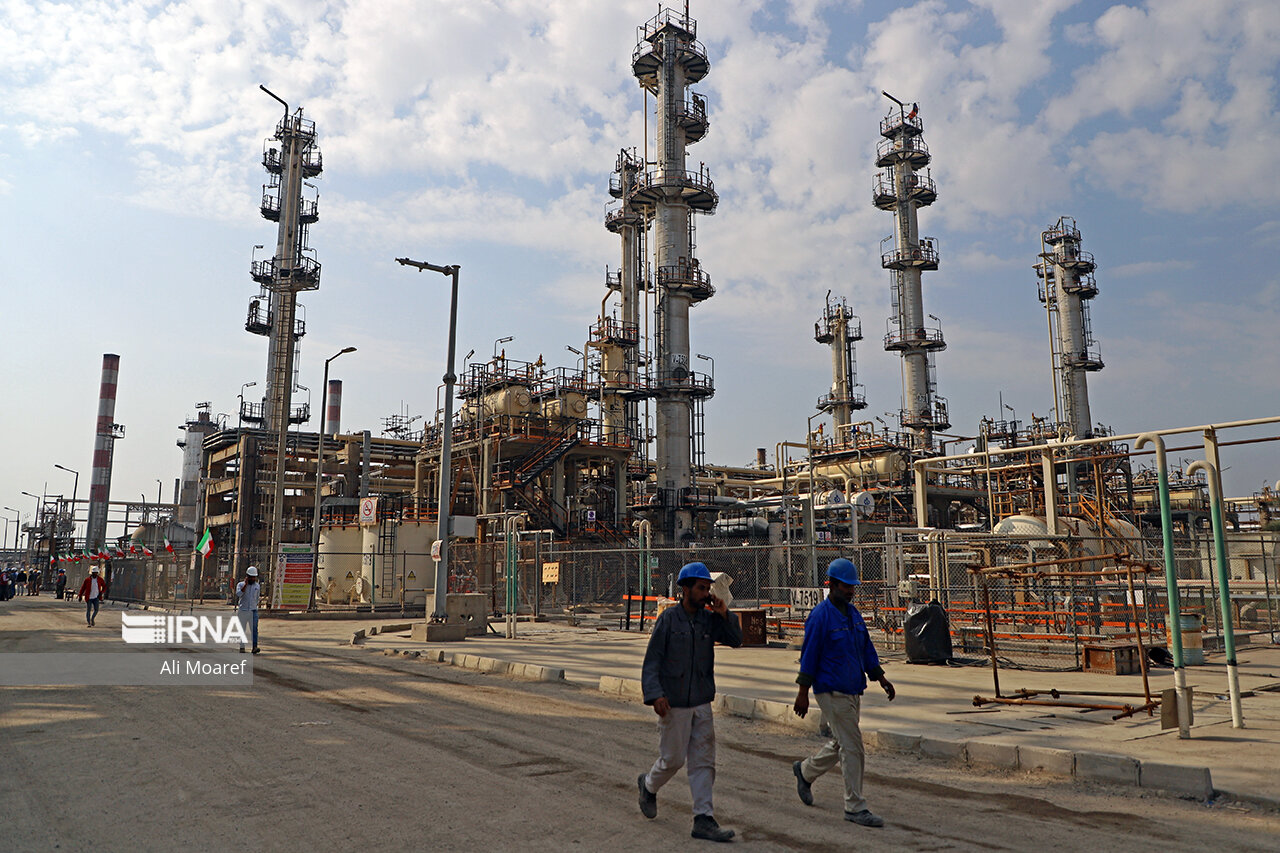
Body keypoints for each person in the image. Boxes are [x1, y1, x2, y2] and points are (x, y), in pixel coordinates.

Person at [638, 561, 742, 843]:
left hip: (701, 701)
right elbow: (653, 660)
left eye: (707, 588)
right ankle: (648, 785)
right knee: (672, 760)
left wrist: (725, 613)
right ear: (685, 589)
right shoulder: (669, 620)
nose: (706, 593)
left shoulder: (709, 619)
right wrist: (655, 694)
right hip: (674, 703)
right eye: (700, 588)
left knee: (704, 761)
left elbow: (736, 640)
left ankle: (703, 818)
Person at [791, 558, 895, 828]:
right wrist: (802, 693)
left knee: (842, 742)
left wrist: (881, 678)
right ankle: (854, 806)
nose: (851, 591)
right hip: (831, 690)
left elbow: (866, 648)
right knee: (853, 747)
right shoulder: (820, 617)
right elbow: (809, 656)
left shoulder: (853, 614)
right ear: (833, 585)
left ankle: (805, 772)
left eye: (853, 587)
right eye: (846, 586)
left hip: (852, 688)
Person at [235, 566, 261, 654]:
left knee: (254, 629)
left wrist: (255, 606)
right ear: (247, 576)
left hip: (253, 611)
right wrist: (245, 585)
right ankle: (242, 646)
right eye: (251, 577)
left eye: (254, 577)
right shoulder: (240, 585)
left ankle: (254, 647)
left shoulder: (257, 586)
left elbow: (257, 598)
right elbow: (239, 594)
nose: (253, 579)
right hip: (243, 610)